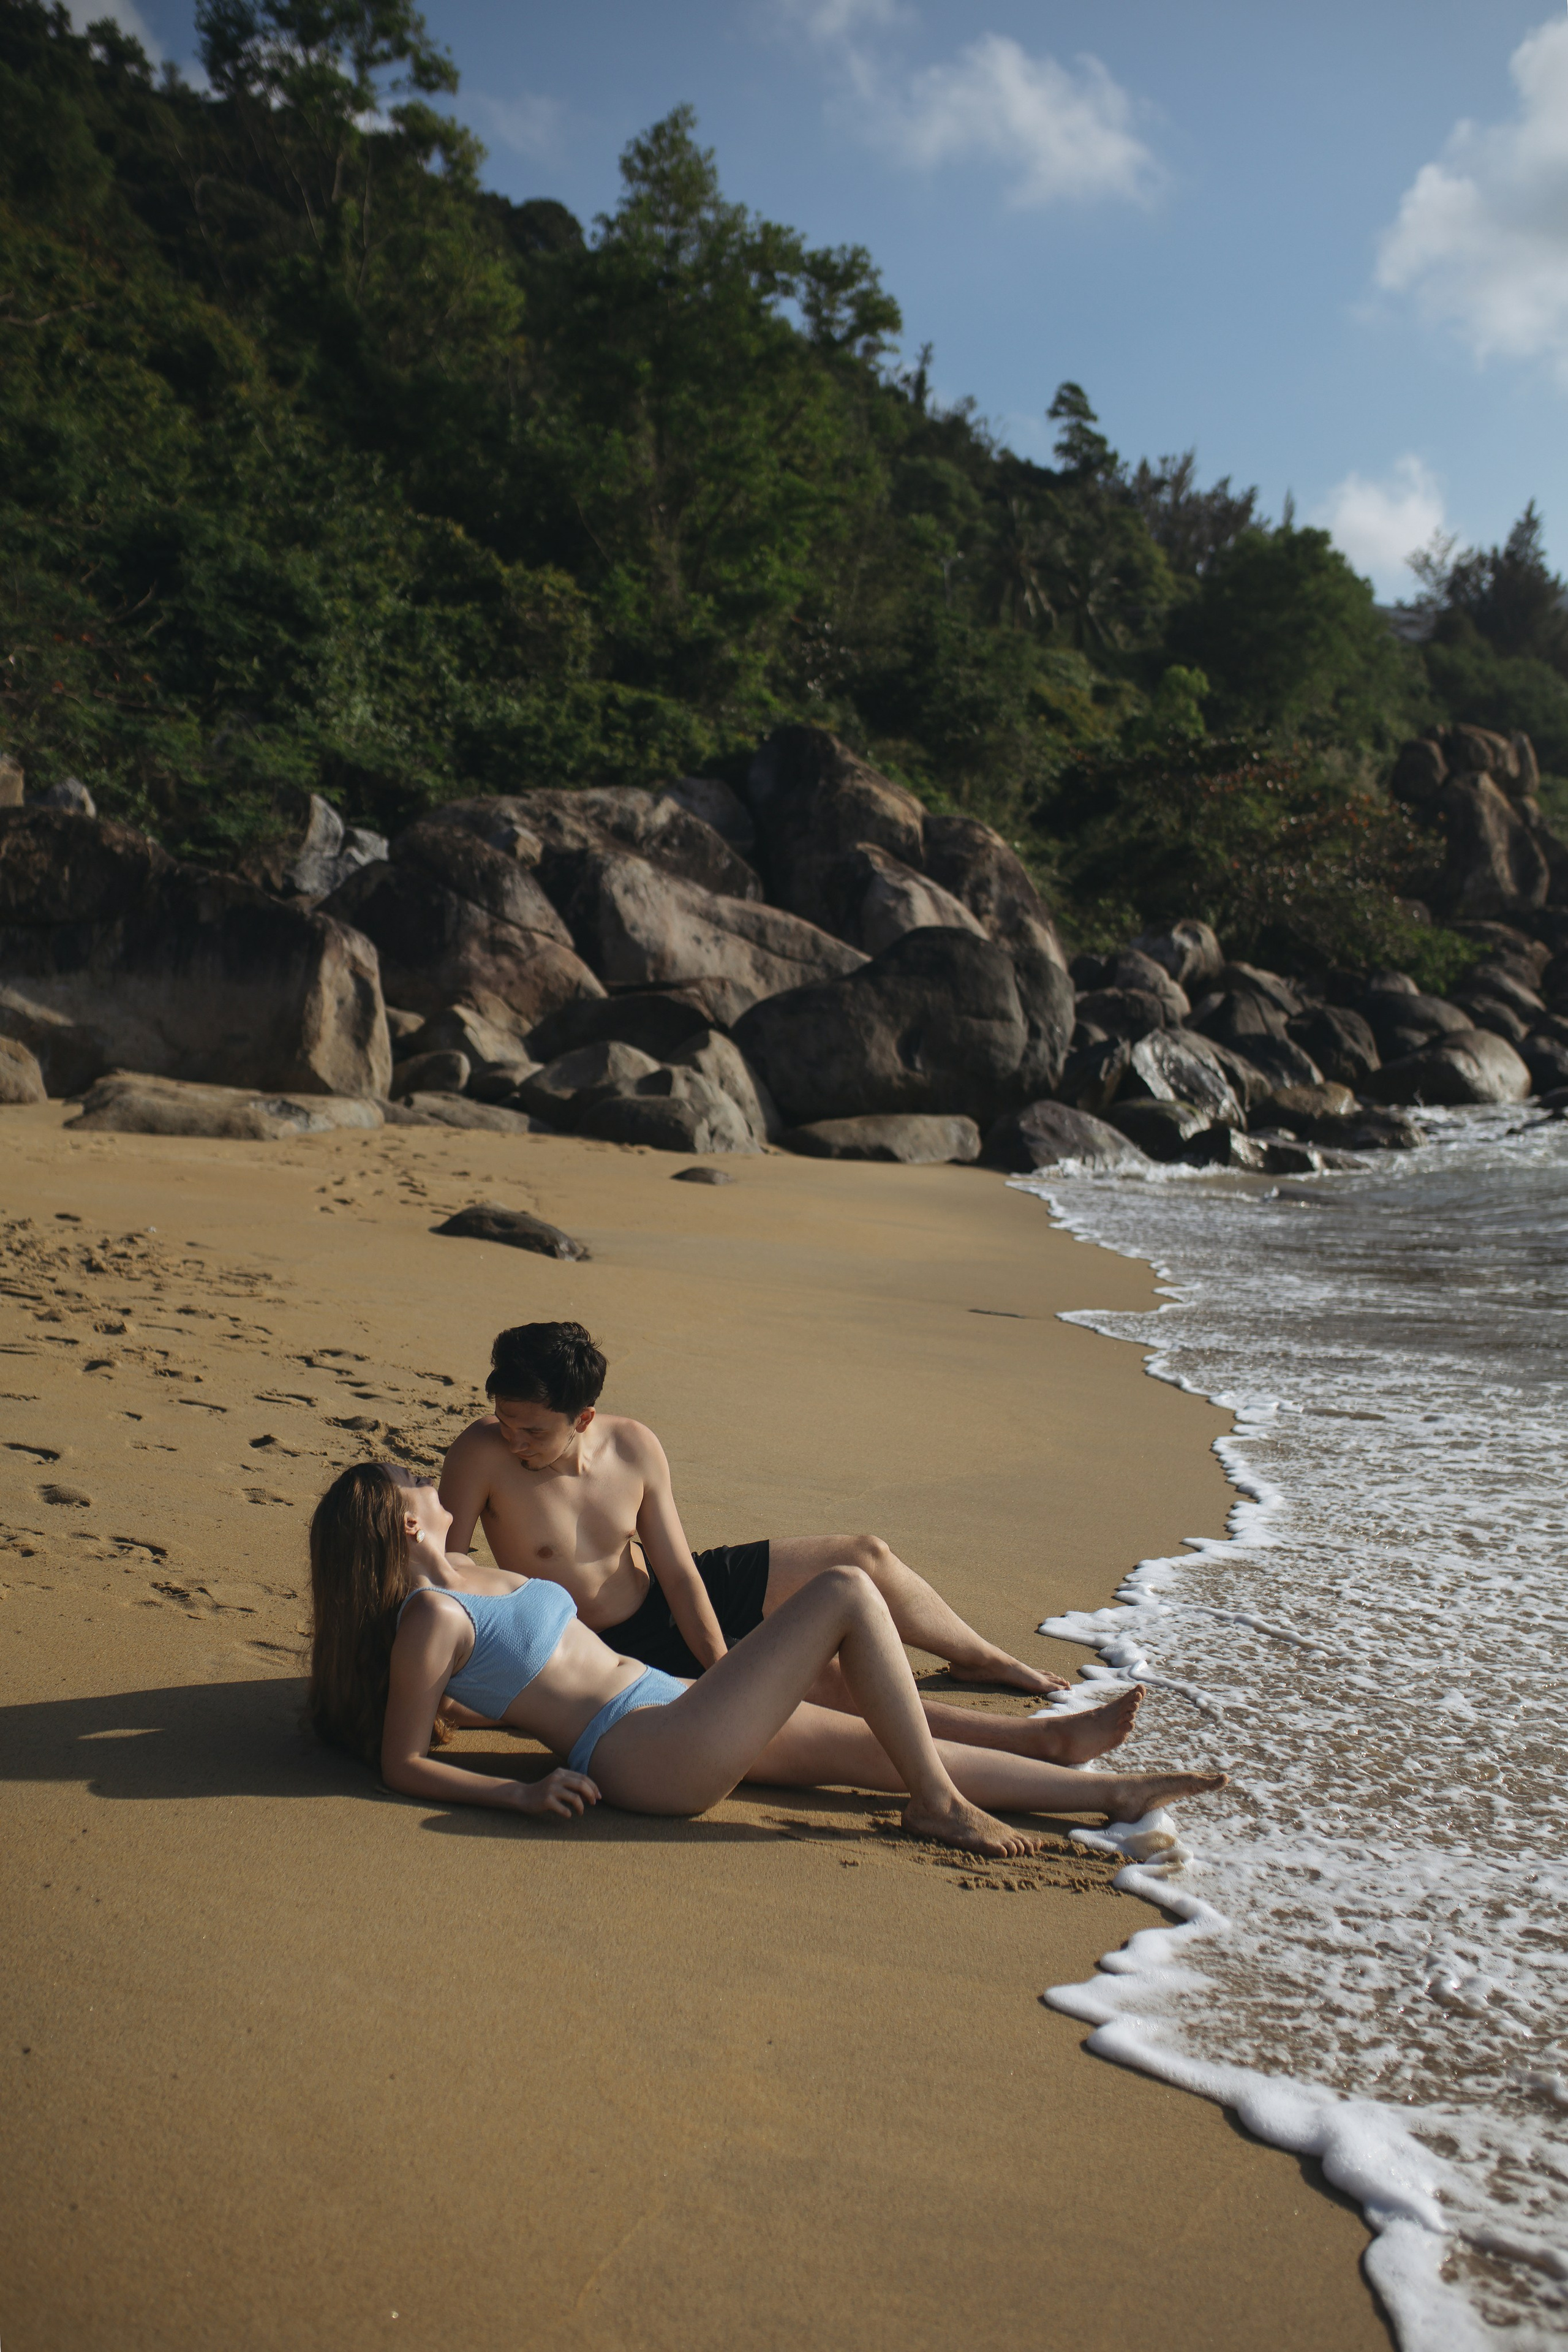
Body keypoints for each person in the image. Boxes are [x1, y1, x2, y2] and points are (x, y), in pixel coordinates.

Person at [307, 1460, 1226, 1860]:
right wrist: (516, 1792)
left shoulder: (468, 1572)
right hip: (642, 1752)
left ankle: (1101, 1787)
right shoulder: (430, 1613)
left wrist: (481, 1708)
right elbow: (402, 1764)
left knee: (879, 1746)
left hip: (670, 1706)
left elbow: (496, 1684)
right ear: (399, 1520)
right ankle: (942, 1808)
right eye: (415, 1486)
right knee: (844, 1594)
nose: (430, 1484)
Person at [437, 1322, 1139, 1769]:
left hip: (663, 1601)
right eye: (504, 1420)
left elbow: (679, 1574)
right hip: (593, 1645)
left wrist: (719, 1666)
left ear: (583, 1417)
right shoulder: (482, 1453)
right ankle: (1039, 1744)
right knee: (830, 1686)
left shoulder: (633, 1445)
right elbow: (451, 1568)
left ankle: (981, 1657)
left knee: (861, 1556)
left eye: (531, 1429)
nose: (512, 1438)